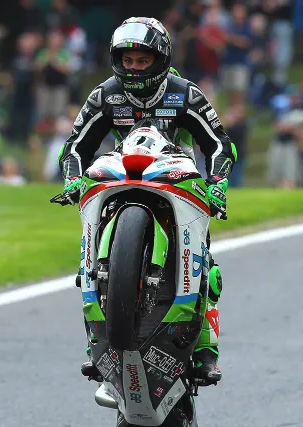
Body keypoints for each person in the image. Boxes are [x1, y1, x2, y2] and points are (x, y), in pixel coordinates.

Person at [58, 17, 236, 387]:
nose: (134, 68)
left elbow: (219, 144)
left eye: (142, 61)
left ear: (161, 59)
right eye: (128, 61)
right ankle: (96, 341)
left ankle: (206, 349)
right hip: (122, 174)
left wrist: (217, 184)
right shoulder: (105, 95)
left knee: (207, 263)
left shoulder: (185, 93)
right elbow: (75, 146)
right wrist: (73, 180)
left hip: (176, 176)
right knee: (86, 253)